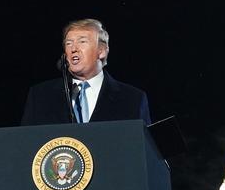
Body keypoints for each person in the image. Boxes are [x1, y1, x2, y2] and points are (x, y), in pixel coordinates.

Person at [21, 18, 151, 126]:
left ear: (102, 51)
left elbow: (143, 150)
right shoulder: (40, 97)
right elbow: (25, 144)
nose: (73, 49)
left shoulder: (132, 99)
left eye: (82, 41)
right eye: (68, 43)